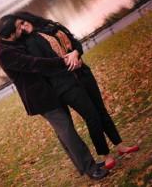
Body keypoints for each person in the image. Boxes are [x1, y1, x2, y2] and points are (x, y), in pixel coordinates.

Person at [13, 11, 139, 170]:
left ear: (30, 18)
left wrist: (76, 53)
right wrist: (69, 63)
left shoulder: (51, 26)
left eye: (23, 23)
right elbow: (45, 67)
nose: (23, 28)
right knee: (91, 116)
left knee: (101, 110)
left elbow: (74, 42)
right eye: (19, 27)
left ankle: (120, 146)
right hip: (65, 85)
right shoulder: (30, 43)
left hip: (83, 73)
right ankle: (106, 156)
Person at [0, 15, 108, 180]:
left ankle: (83, 166)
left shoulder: (14, 42)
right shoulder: (5, 53)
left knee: (64, 131)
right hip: (41, 98)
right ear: (12, 32)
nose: (22, 28)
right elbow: (34, 63)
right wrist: (63, 61)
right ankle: (90, 168)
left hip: (51, 90)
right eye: (19, 26)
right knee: (67, 131)